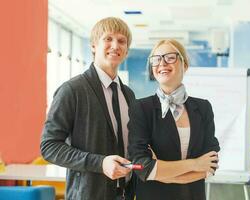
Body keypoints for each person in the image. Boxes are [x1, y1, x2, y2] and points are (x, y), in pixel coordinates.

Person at [40, 17, 136, 200]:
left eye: (121, 41)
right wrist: (100, 163)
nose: (115, 45)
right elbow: (49, 146)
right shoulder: (72, 90)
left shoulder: (128, 95)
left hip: (125, 194)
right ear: (93, 46)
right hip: (88, 194)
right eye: (108, 39)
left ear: (126, 51)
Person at [128, 39, 220, 200]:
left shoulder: (203, 107)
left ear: (184, 65)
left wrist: (161, 171)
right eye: (156, 59)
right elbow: (142, 166)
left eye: (170, 57)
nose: (162, 63)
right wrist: (195, 164)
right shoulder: (141, 108)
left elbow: (210, 163)